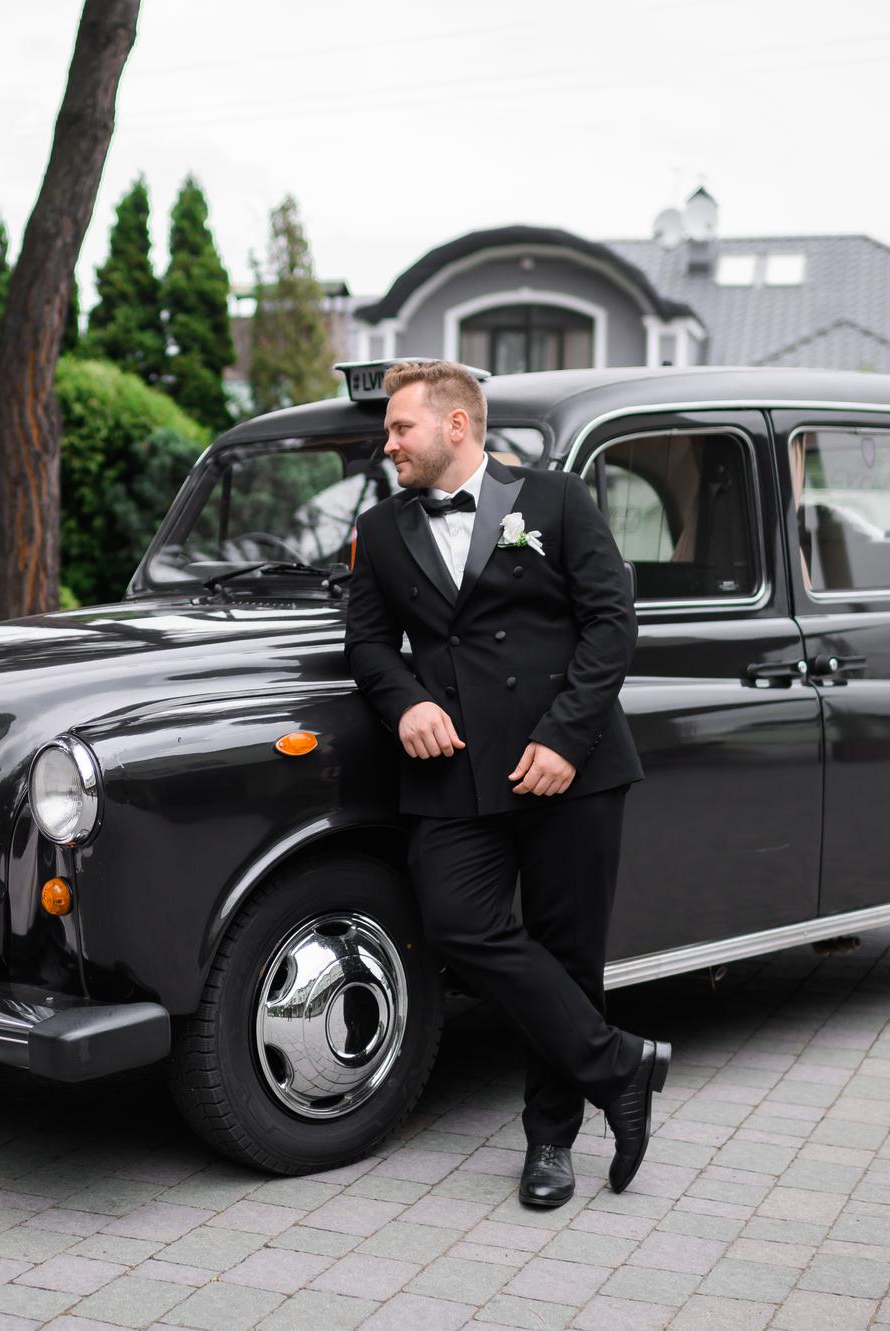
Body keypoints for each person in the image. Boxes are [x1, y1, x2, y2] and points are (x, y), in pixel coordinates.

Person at [342, 360, 668, 1209]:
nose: (389, 443)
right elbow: (368, 646)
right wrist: (405, 700)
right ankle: (620, 1064)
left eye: (400, 428)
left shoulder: (556, 501)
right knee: (454, 923)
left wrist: (564, 738)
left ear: (456, 427)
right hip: (453, 772)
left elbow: (611, 622)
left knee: (567, 953)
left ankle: (549, 1146)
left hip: (571, 768)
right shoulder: (381, 531)